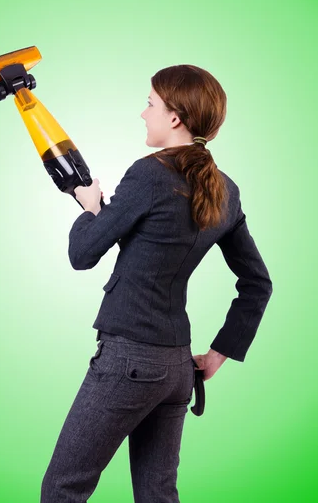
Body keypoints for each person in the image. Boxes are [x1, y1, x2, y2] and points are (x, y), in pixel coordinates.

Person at [40, 64, 273, 503]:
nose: (143, 113)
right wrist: (221, 353)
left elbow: (82, 254)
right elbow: (258, 283)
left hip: (129, 361)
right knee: (157, 494)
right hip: (176, 369)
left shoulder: (149, 174)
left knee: (62, 489)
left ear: (175, 118)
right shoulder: (226, 189)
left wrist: (90, 206)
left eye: (150, 104)